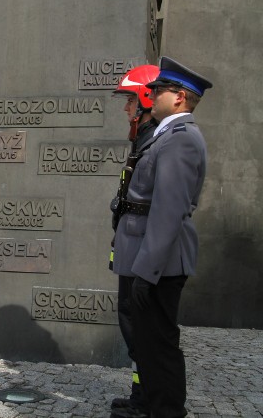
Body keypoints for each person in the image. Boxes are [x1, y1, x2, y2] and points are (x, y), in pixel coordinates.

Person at [111, 56, 212, 418]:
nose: (152, 96)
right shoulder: (166, 135)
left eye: (159, 90)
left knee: (160, 343)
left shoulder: (181, 140)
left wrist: (147, 270)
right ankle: (150, 402)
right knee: (149, 342)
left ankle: (166, 411)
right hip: (148, 255)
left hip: (160, 261)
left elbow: (167, 212)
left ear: (180, 97)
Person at [108, 64, 159, 415]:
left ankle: (149, 399)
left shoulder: (155, 140)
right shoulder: (142, 138)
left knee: (141, 322)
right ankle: (141, 393)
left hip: (144, 248)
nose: (126, 108)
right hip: (132, 242)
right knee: (130, 318)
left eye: (129, 100)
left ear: (144, 99)